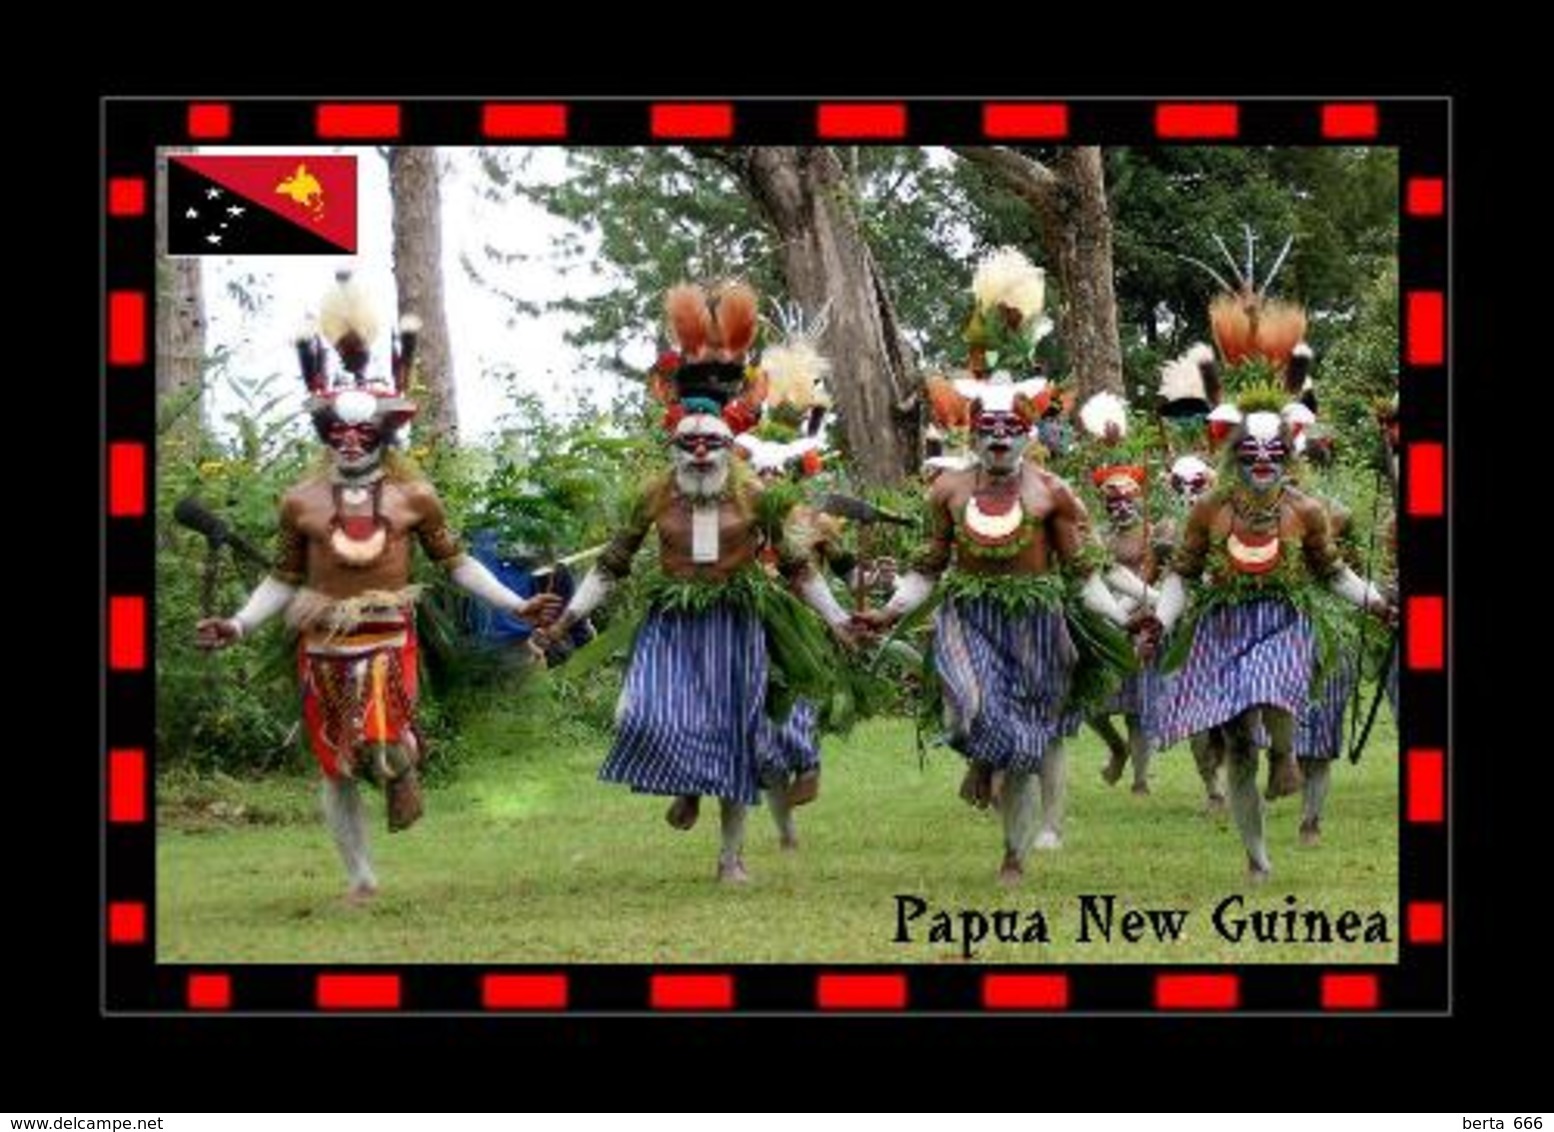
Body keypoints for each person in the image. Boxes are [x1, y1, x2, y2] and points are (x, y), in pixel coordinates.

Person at [194, 274, 561, 902]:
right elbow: (283, 578)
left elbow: (457, 563)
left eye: (364, 432)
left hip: (388, 636)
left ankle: (404, 762)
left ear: (386, 434)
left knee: (385, 743)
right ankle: (361, 878)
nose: (352, 440)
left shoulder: (414, 496)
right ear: (326, 433)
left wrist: (514, 603)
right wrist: (239, 623)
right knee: (335, 765)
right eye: (339, 431)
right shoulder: (301, 501)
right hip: (322, 643)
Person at [533, 281, 855, 883]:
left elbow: (798, 568)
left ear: (731, 447)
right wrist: (569, 621)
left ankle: (731, 857)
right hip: (672, 623)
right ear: (675, 445)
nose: (702, 453)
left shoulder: (758, 494)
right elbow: (611, 567)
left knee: (736, 735)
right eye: (691, 444)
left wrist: (839, 620)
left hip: (738, 622)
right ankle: (685, 779)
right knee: (642, 716)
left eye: (713, 444)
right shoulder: (655, 495)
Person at [857, 248, 1134, 885]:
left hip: (1038, 620)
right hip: (967, 614)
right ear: (973, 432)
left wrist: (1122, 619)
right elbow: (928, 567)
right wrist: (892, 609)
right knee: (965, 710)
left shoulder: (1053, 494)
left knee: (1032, 741)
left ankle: (1014, 853)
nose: (1001, 436)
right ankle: (978, 754)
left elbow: (1085, 574)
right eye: (990, 427)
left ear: (1028, 433)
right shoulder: (949, 491)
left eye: (1013, 427)